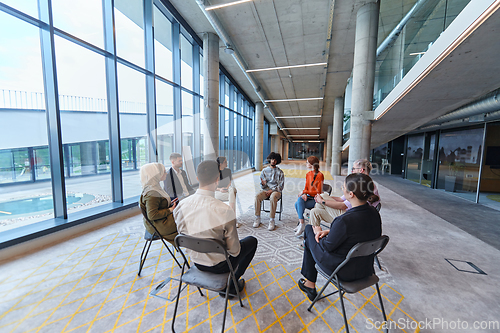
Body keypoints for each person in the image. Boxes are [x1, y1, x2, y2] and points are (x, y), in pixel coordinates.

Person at [174, 160, 258, 298]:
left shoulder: (180, 207)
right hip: (220, 266)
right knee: (251, 241)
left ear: (197, 179)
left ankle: (230, 282)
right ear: (217, 180)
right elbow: (234, 251)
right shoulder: (225, 210)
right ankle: (232, 283)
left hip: (196, 262)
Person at [298, 173, 382, 301]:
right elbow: (359, 236)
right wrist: (330, 233)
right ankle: (309, 283)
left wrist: (318, 231)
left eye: (343, 187)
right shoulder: (375, 214)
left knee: (310, 231)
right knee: (316, 236)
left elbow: (327, 246)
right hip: (365, 268)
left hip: (342, 270)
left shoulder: (344, 220)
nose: (342, 189)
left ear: (351, 194)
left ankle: (310, 284)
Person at [309, 159, 380, 233]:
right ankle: (318, 234)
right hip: (349, 214)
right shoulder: (361, 182)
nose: (351, 171)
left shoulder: (362, 185)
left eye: (353, 169)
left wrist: (322, 201)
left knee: (322, 198)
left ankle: (323, 233)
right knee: (314, 211)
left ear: (361, 170)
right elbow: (341, 199)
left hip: (350, 216)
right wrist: (324, 199)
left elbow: (343, 205)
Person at [139, 163, 178, 244]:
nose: (166, 173)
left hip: (160, 221)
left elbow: (158, 205)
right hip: (159, 224)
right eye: (164, 172)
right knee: (187, 220)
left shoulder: (155, 187)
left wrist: (169, 203)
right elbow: (152, 215)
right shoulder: (152, 193)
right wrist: (170, 209)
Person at [294, 156, 324, 237]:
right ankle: (302, 223)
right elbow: (306, 187)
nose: (306, 164)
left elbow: (318, 192)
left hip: (316, 199)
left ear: (312, 164)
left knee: (298, 203)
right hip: (309, 196)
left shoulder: (320, 175)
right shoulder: (308, 174)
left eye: (307, 162)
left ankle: (301, 224)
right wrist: (304, 194)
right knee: (299, 201)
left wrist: (304, 192)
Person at [254, 152, 285, 231]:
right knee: (257, 196)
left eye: (275, 160)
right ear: (269, 160)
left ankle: (272, 220)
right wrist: (263, 184)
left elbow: (281, 186)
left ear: (277, 161)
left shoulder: (280, 172)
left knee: (273, 197)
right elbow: (262, 186)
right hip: (266, 190)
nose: (273, 161)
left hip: (276, 191)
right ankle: (257, 217)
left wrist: (272, 190)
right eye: (272, 159)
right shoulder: (264, 171)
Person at [215, 156, 241, 228]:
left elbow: (229, 182)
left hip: (227, 190)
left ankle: (231, 213)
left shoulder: (228, 171)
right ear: (220, 163)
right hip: (218, 192)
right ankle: (233, 217)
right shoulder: (215, 172)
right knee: (233, 195)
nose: (227, 163)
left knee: (232, 189)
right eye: (225, 162)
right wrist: (220, 189)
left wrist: (226, 188)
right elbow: (213, 186)